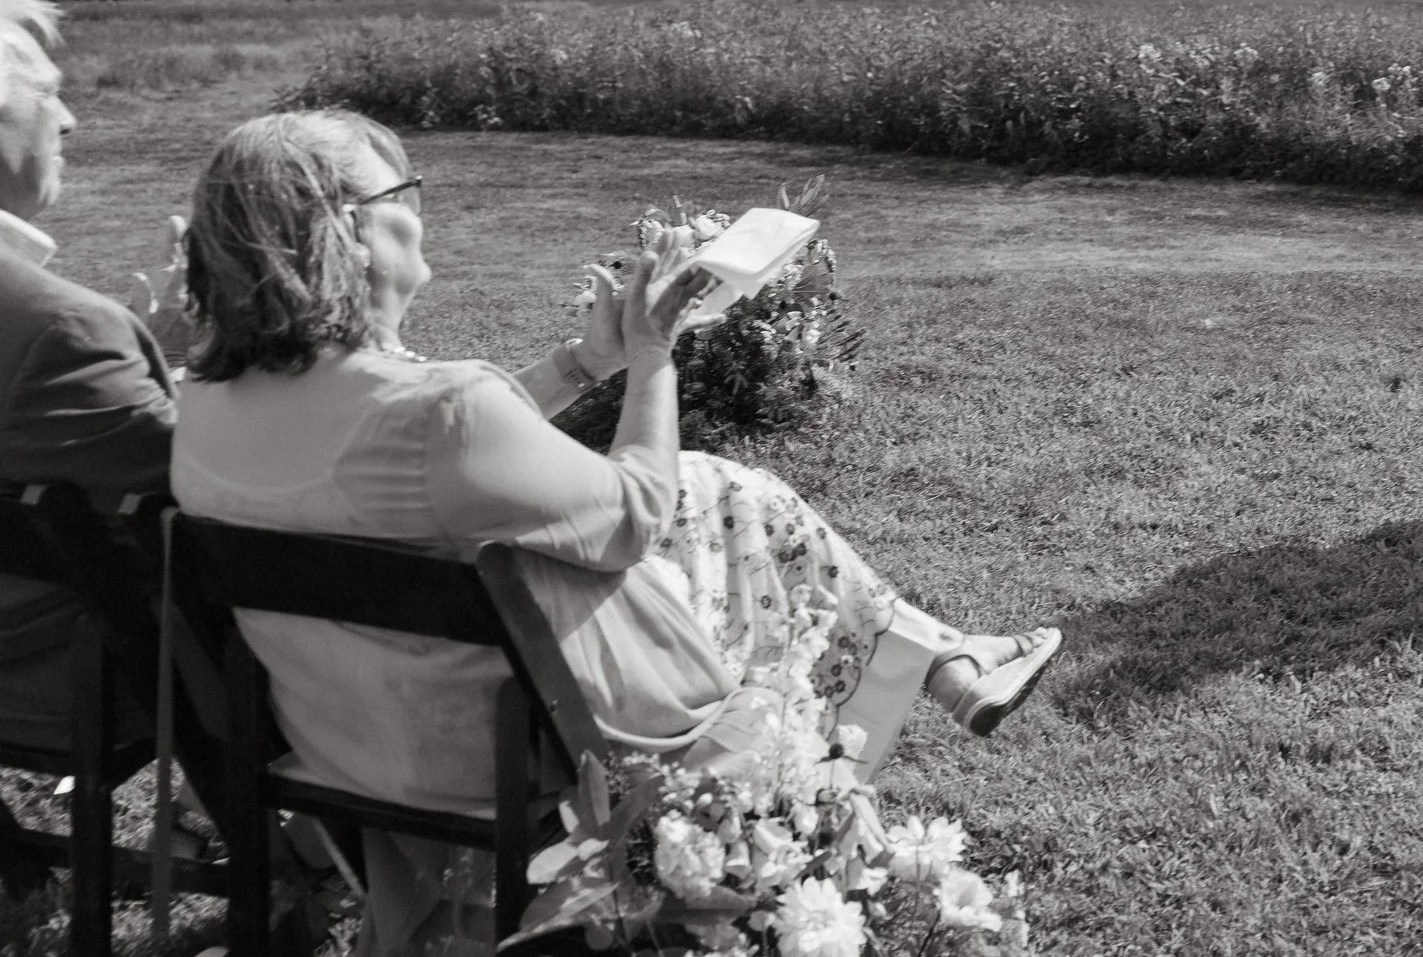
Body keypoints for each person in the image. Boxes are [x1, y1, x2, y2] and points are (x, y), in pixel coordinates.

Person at [170, 109, 1060, 957]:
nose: (417, 211)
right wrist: (653, 354)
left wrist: (586, 362)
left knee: (718, 486)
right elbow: (632, 512)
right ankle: (874, 739)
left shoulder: (203, 409)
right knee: (719, 505)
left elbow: (453, 446)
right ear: (347, 233)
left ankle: (941, 657)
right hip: (527, 750)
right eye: (401, 195)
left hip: (359, 745)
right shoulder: (441, 413)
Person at [0, 0, 176, 757]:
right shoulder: (63, 331)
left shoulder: (68, 334)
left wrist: (152, 354)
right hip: (50, 679)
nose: (69, 120)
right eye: (47, 95)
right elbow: (225, 487)